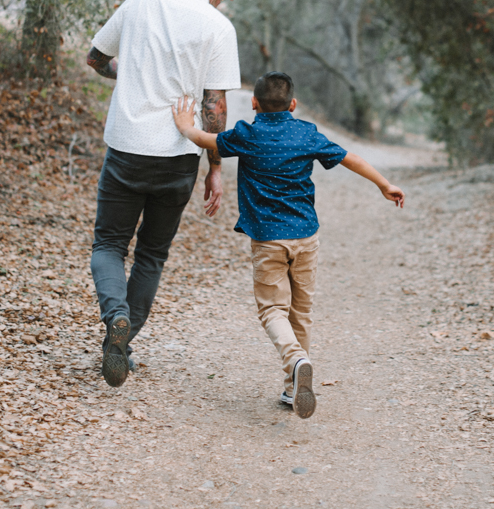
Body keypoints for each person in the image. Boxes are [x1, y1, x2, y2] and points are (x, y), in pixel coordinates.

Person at [172, 72, 404, 418]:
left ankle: (296, 361)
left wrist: (184, 125)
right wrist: (384, 184)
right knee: (301, 312)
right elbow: (349, 157)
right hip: (306, 238)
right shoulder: (305, 133)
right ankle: (293, 386)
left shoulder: (246, 134)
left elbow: (206, 140)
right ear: (293, 105)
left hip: (268, 240)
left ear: (254, 103)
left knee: (272, 310)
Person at [85, 0, 244, 388]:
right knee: (152, 255)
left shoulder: (141, 2)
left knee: (109, 245)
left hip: (127, 148)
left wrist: (132, 72)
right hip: (177, 157)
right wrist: (215, 164)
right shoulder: (218, 27)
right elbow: (215, 107)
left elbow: (96, 59)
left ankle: (115, 316)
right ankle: (121, 342)